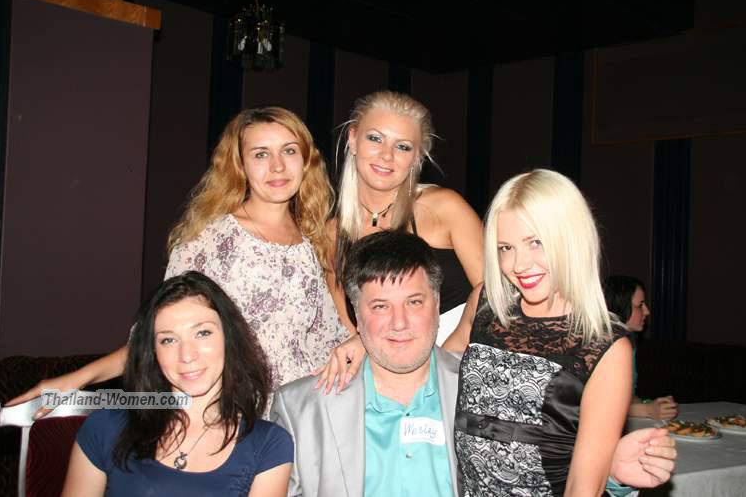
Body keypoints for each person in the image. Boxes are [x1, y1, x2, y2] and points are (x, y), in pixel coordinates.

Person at [272, 231, 677, 497]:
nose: (399, 323)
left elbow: (536, 479)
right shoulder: (300, 409)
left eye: (414, 302)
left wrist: (612, 474)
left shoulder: (488, 390)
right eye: (380, 306)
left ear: (437, 304)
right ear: (356, 314)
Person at [10, 106, 350, 412]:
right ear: (240, 165)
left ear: (306, 160)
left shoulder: (315, 241)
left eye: (289, 151)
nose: (277, 166)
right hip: (236, 412)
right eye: (261, 154)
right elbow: (157, 333)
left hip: (308, 413)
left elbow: (334, 338)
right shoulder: (213, 239)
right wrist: (76, 379)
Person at [443, 170, 634, 496]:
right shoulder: (486, 304)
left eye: (536, 242)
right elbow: (435, 374)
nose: (519, 264)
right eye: (506, 247)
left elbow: (583, 486)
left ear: (571, 237)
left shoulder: (605, 346)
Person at [62, 271, 292, 496]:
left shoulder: (268, 445)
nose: (187, 355)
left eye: (202, 333)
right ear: (153, 351)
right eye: (169, 340)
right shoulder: (106, 427)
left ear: (229, 338)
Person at [318, 90, 484, 390]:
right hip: (385, 380)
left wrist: (448, 352)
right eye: (375, 138)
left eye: (403, 146)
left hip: (460, 370)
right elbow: (349, 327)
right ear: (353, 139)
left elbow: (496, 293)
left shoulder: (443, 208)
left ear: (418, 157)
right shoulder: (332, 234)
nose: (386, 155)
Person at [604, 275, 678, 421]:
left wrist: (652, 405)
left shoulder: (628, 342)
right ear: (619, 307)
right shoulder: (602, 347)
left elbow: (628, 396)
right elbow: (601, 402)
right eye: (639, 305)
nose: (647, 311)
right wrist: (647, 410)